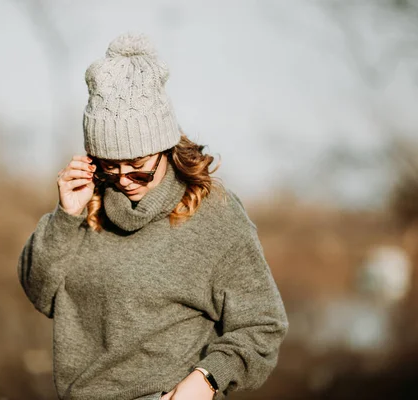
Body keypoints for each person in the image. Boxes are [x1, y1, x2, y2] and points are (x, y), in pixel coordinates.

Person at [18, 32, 288, 400]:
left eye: (138, 167)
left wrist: (207, 379)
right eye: (109, 168)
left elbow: (262, 323)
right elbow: (40, 294)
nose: (124, 180)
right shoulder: (84, 207)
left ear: (165, 149)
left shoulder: (215, 214)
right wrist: (66, 216)